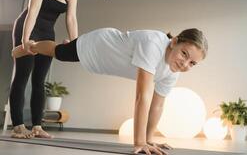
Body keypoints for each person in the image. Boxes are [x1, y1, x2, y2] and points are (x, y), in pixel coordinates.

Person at [12, 27, 208, 155]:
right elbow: (143, 96)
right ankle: (32, 45)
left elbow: (158, 105)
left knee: (65, 50)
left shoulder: (173, 71)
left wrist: (149, 139)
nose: (185, 63)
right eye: (184, 54)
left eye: (192, 63)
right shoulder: (154, 44)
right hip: (99, 45)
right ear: (173, 42)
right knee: (60, 53)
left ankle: (67, 43)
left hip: (105, 62)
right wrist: (139, 142)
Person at [9, 0, 79, 139]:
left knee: (39, 80)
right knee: (22, 76)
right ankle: (18, 126)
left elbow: (71, 19)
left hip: (47, 32)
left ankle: (37, 127)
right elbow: (33, 10)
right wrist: (25, 40)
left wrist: (76, 44)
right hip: (28, 27)